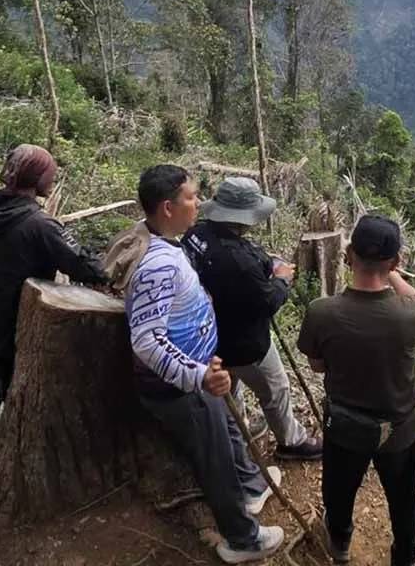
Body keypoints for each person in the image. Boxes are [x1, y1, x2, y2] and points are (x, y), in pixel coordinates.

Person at [126, 165, 284, 564]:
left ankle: (251, 485)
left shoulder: (167, 242)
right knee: (214, 460)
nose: (199, 203)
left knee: (228, 432)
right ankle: (242, 540)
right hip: (185, 387)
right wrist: (197, 376)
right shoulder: (158, 264)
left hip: (202, 372)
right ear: (168, 207)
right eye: (192, 197)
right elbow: (146, 339)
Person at [297, 215, 415, 565]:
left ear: (348, 255)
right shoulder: (412, 314)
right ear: (396, 261)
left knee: (339, 491)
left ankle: (340, 542)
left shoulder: (321, 312)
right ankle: (405, 555)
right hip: (400, 430)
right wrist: (393, 273)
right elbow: (414, 295)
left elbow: (317, 366)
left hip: (345, 428)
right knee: (403, 497)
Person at [0, 144, 108, 443]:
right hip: (17, 324)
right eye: (50, 174)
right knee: (18, 389)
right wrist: (108, 271)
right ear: (37, 178)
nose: (53, 180)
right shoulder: (40, 225)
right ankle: (15, 445)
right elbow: (82, 265)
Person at [182, 177, 322, 461]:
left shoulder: (196, 235)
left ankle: (237, 430)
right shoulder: (239, 263)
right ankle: (291, 441)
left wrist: (266, 264)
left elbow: (245, 261)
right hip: (245, 342)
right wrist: (282, 279)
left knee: (230, 385)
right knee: (275, 388)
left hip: (211, 337)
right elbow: (267, 302)